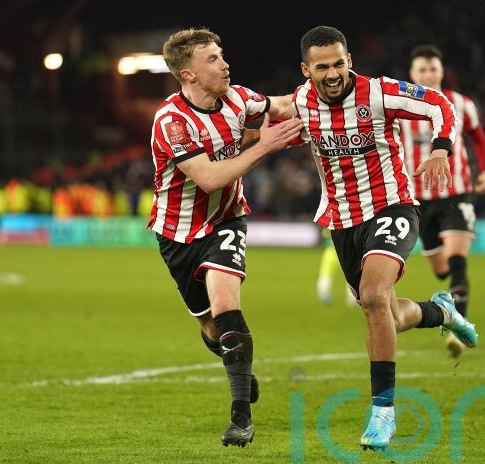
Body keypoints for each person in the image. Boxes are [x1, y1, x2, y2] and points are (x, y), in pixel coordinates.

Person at [292, 26, 478, 451]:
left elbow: (440, 104)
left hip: (391, 206)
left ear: (350, 60)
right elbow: (264, 119)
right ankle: (441, 311)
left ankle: (383, 412)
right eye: (322, 67)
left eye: (339, 63)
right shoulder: (301, 102)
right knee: (388, 316)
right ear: (306, 70)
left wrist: (441, 148)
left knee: (374, 296)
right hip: (343, 221)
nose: (333, 73)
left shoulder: (379, 92)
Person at [148, 28, 302, 447]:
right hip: (177, 233)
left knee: (226, 305)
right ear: (188, 74)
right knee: (211, 328)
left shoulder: (238, 98)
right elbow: (210, 177)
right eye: (212, 59)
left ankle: (240, 419)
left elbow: (283, 105)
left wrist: (323, 92)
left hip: (227, 220)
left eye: (221, 55)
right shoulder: (172, 122)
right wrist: (264, 144)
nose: (225, 64)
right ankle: (241, 368)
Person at [400, 44, 485, 358]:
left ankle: (458, 327)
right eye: (422, 70)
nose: (428, 74)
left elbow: (479, 139)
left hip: (457, 193)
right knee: (440, 270)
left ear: (441, 72)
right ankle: (449, 307)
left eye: (433, 69)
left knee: (456, 262)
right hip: (418, 200)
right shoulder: (399, 106)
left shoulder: (461, 104)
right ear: (412, 74)